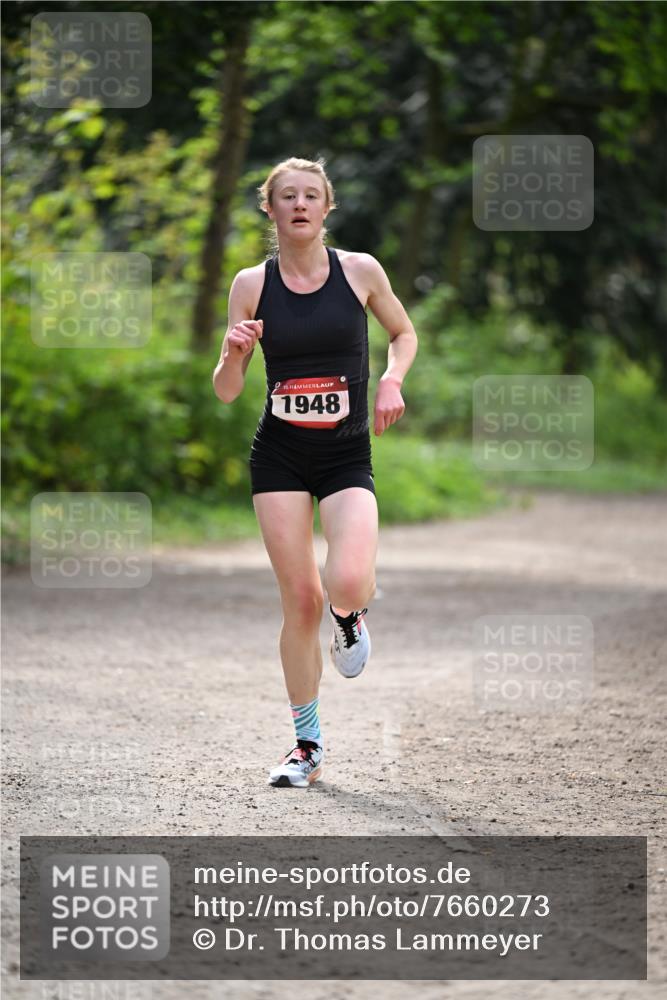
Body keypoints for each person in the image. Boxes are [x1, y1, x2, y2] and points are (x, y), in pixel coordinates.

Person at [212, 156, 417, 787]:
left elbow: (402, 333)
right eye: (286, 197)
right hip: (278, 453)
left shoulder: (359, 271)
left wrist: (390, 379)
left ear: (326, 208)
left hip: (346, 453)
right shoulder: (251, 283)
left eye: (311, 196)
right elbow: (225, 391)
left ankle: (350, 619)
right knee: (300, 600)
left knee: (348, 582)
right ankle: (307, 745)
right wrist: (233, 353)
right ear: (270, 210)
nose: (299, 205)